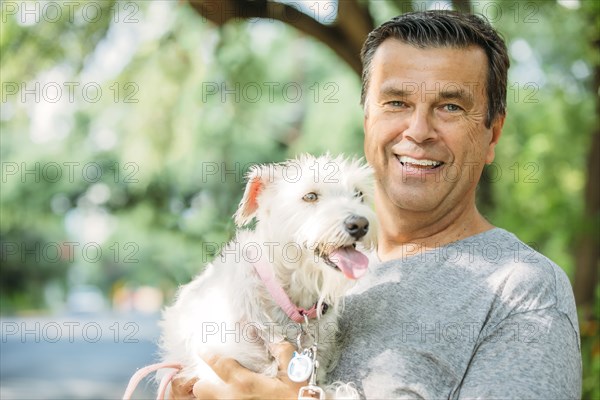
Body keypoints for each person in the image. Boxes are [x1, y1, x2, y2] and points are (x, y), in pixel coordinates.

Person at [173, 10, 582, 399]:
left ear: (493, 135)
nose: (418, 131)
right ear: (368, 121)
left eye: (450, 107)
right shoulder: (292, 272)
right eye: (397, 103)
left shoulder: (522, 289)